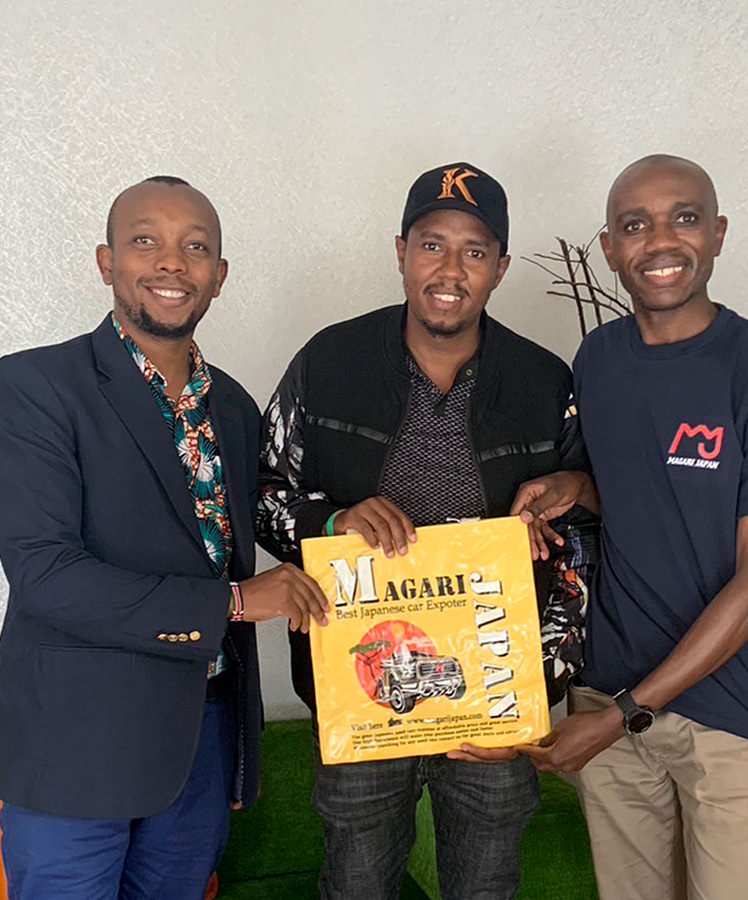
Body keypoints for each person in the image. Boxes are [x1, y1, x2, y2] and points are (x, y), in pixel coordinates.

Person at [0, 176, 329, 900]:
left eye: (195, 248)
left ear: (219, 276)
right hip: (74, 744)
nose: (171, 262)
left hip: (200, 740)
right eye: (146, 241)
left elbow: (267, 512)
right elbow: (45, 575)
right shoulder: (39, 385)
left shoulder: (234, 407)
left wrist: (340, 526)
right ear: (107, 262)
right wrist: (235, 602)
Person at [512, 154, 748, 900]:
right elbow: (646, 496)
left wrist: (626, 713)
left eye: (685, 218)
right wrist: (574, 487)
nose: (661, 242)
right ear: (610, 249)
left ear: (718, 233)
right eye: (635, 226)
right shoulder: (598, 359)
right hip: (609, 689)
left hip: (732, 713)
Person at [256, 162, 597, 900]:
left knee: (485, 887)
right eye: (431, 245)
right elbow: (264, 494)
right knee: (357, 884)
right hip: (361, 691)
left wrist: (539, 687)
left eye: (474, 251)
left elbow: (580, 540)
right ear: (401, 253)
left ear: (500, 268)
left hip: (494, 699)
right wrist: (333, 519)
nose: (450, 270)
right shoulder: (329, 362)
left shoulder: (543, 381)